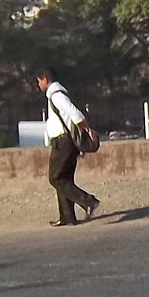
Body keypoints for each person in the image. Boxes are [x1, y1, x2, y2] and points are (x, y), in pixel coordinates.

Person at [37, 70, 99, 227]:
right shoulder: (58, 93)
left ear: (45, 79)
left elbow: (74, 113)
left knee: (55, 178)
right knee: (64, 178)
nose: (38, 84)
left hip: (63, 142)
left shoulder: (56, 95)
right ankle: (67, 217)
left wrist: (87, 130)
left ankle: (88, 201)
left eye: (39, 80)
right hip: (66, 141)